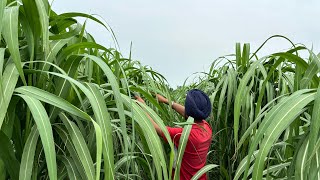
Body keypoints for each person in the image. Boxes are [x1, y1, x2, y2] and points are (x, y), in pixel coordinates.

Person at [135, 89, 212, 180]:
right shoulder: (206, 127)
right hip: (200, 177)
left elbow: (157, 128)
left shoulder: (184, 135)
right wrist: (165, 100)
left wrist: (143, 107)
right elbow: (186, 113)